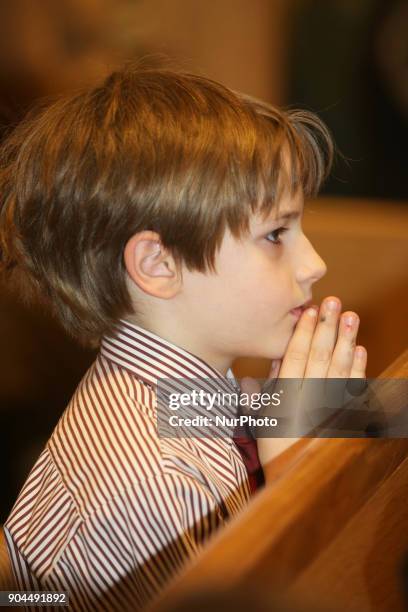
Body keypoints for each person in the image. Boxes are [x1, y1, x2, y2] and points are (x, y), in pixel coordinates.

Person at [0, 62, 367, 610]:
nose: (313, 263)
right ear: (159, 263)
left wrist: (346, 414)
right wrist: (295, 481)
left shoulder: (175, 392)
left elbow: (246, 411)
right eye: (275, 235)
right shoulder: (154, 484)